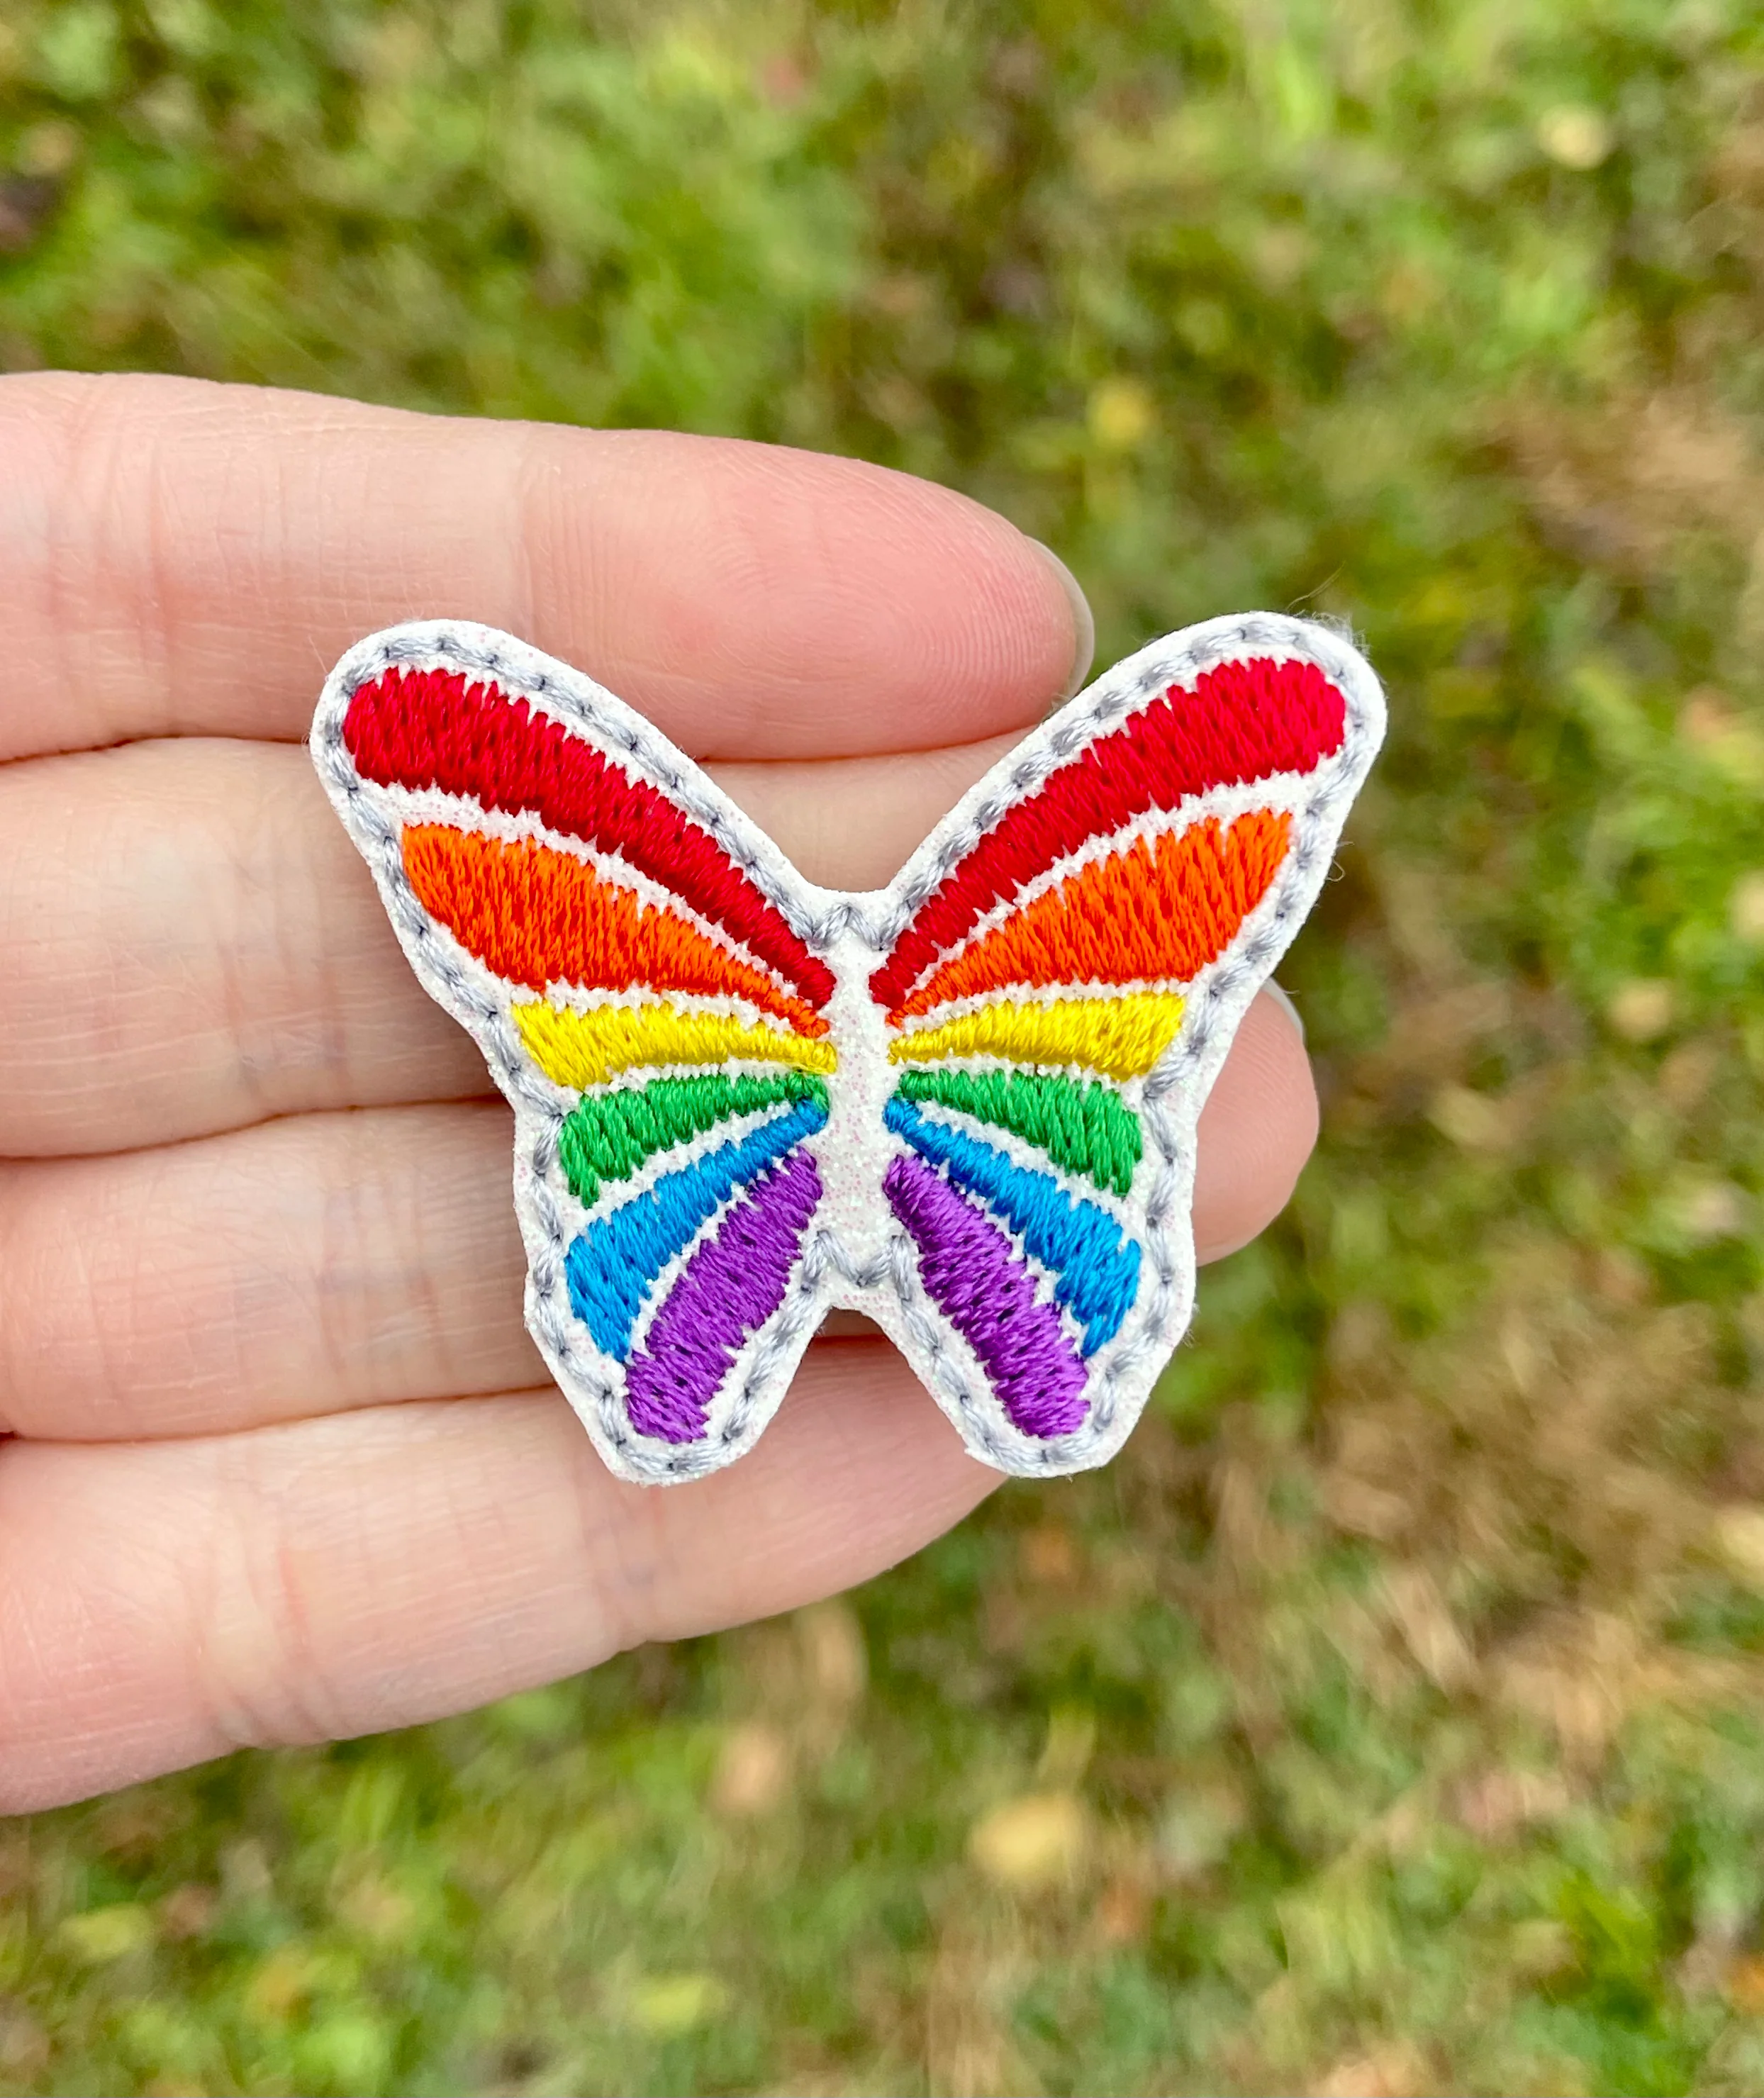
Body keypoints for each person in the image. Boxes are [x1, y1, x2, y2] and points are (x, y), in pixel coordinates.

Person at [0, 373, 1319, 1812]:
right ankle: (739, 1365)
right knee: (714, 1379)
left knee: (1000, 1357)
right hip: (807, 1106)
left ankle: (952, 1361)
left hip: (759, 1109)